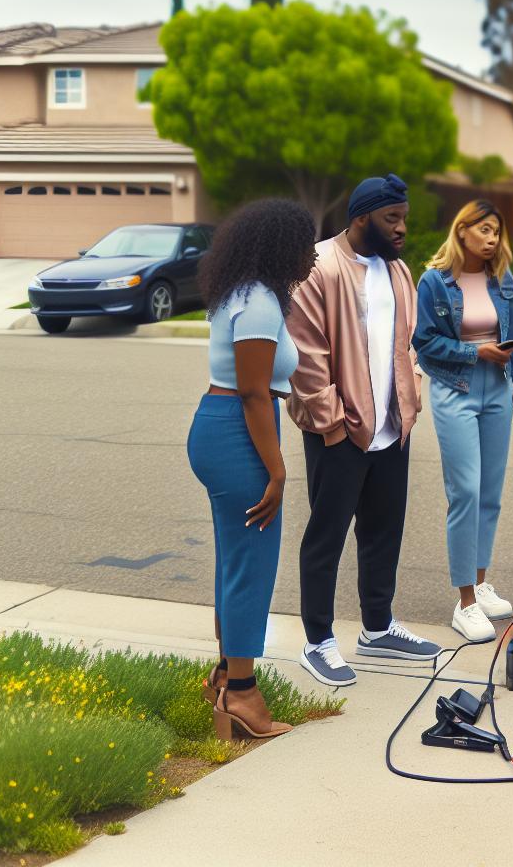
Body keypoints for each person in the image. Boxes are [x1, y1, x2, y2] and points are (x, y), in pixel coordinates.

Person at [287, 173, 442, 687]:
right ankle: (318, 641)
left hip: (392, 428)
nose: (401, 229)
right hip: (339, 432)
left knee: (383, 530)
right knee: (326, 535)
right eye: (390, 219)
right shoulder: (319, 266)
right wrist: (330, 425)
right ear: (360, 219)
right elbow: (306, 356)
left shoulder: (397, 270)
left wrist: (409, 397)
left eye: (404, 219)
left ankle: (377, 628)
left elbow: (408, 343)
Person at [186, 197, 317, 740]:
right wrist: (278, 468)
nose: (312, 255)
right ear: (282, 247)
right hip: (240, 432)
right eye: (306, 244)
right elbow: (254, 392)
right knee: (252, 566)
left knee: (234, 561)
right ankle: (241, 692)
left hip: (221, 426)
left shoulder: (238, 293)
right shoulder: (259, 303)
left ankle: (223, 673)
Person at [413, 200, 513, 643]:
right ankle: (464, 603)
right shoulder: (434, 282)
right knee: (464, 491)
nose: (492, 238)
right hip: (455, 390)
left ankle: (480, 585)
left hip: (497, 389)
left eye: (496, 231)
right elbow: (424, 343)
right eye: (484, 229)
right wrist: (474, 352)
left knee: (489, 493)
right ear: (462, 231)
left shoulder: (501, 278)